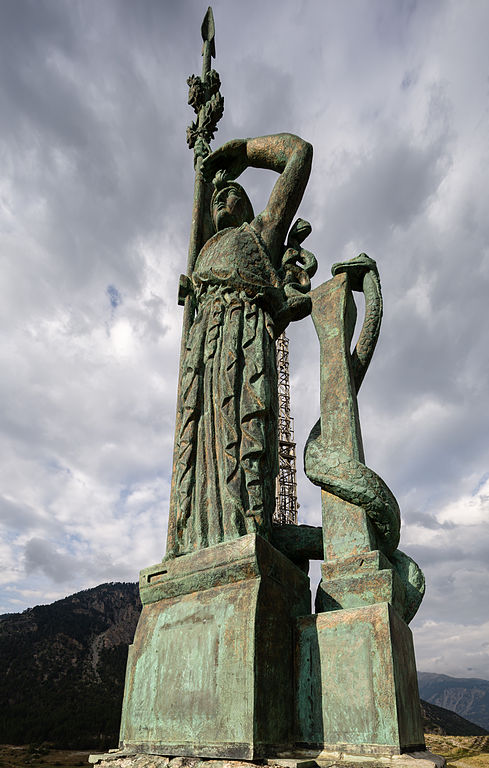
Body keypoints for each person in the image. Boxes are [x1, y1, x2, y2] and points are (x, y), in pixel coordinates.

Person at [168, 133, 315, 557]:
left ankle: (244, 533)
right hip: (204, 352)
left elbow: (299, 155)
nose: (220, 198)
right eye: (215, 197)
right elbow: (197, 234)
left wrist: (246, 153)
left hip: (241, 340)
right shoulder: (203, 255)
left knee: (240, 440)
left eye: (231, 193)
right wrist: (203, 179)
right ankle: (199, 543)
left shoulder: (260, 233)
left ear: (249, 207)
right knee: (197, 453)